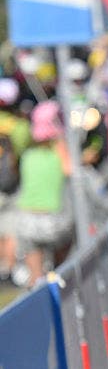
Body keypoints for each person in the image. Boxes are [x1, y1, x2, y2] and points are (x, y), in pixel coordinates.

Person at [15, 100, 73, 287]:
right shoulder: (59, 153)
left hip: (26, 221)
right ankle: (58, 273)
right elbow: (70, 170)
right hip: (53, 221)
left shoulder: (27, 156)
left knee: (36, 277)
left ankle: (37, 283)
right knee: (68, 239)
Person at [0, 78, 31, 282]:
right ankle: (7, 268)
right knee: (9, 226)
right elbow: (23, 153)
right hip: (10, 183)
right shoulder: (19, 126)